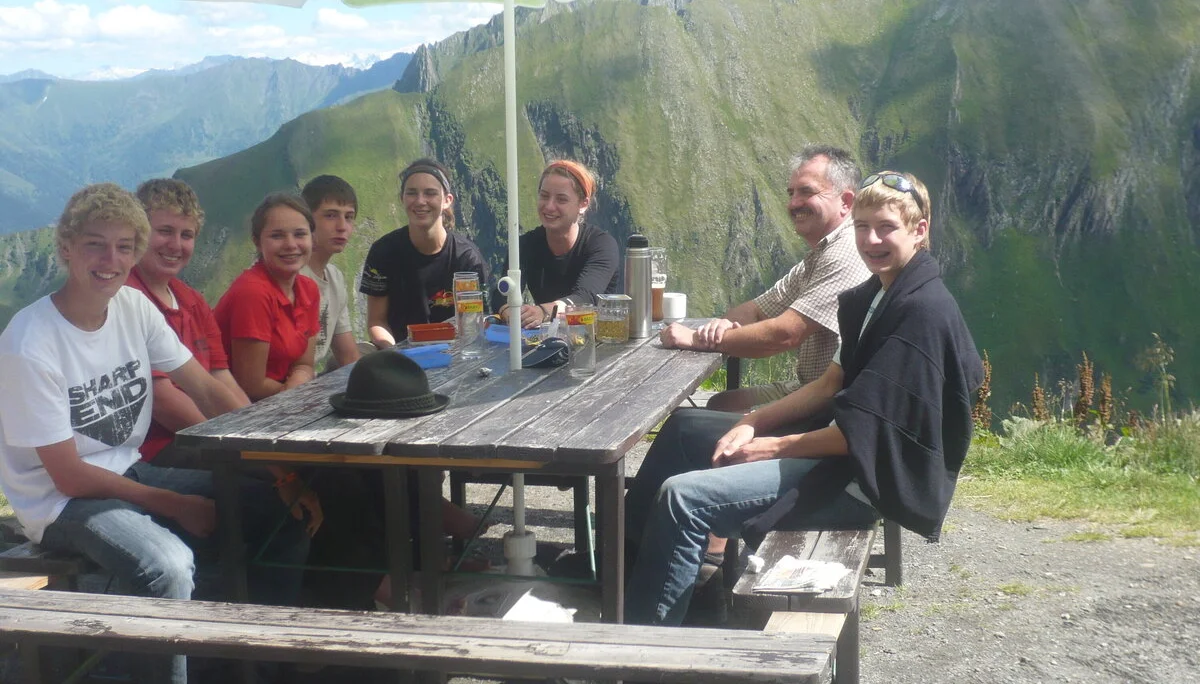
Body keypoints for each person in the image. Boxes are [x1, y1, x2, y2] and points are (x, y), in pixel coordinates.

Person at [624, 171, 984, 626]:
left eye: (886, 228)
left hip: (859, 481)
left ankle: (642, 650)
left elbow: (863, 436)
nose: (871, 239)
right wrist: (752, 422)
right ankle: (634, 568)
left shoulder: (919, 314)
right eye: (862, 227)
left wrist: (771, 446)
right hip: (838, 450)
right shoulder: (877, 294)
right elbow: (829, 386)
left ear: (919, 229)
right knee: (684, 431)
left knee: (683, 498)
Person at [0, 184, 311, 683]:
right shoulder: (28, 343)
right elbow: (69, 476)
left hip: (125, 468)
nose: (111, 259)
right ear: (65, 248)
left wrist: (279, 468)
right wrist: (173, 502)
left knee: (275, 507)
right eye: (95, 244)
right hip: (59, 503)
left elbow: (207, 391)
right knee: (167, 565)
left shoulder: (133, 308)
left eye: (125, 246)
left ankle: (249, 661)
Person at [660, 145, 872, 412]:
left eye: (807, 191)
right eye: (791, 193)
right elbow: (757, 310)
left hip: (832, 403)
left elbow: (785, 334)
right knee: (721, 403)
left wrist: (696, 339)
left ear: (846, 201)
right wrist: (722, 325)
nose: (794, 203)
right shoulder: (820, 253)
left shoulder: (847, 252)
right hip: (808, 387)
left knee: (691, 426)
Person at [125, 179, 250, 466]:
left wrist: (259, 431)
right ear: (138, 233)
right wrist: (232, 442)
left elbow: (221, 377)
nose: (176, 245)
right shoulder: (126, 298)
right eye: (165, 231)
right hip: (155, 450)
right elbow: (163, 401)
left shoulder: (192, 300)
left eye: (187, 235)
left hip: (206, 434)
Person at [360, 159, 488, 347]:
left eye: (430, 193)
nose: (420, 201)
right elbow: (376, 321)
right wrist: (393, 352)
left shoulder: (467, 258)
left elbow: (475, 323)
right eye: (412, 193)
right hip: (396, 352)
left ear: (447, 201)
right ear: (402, 198)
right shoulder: (383, 252)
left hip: (454, 353)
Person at [214, 193, 320, 401]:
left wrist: (297, 386)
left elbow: (304, 364)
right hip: (237, 410)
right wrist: (297, 396)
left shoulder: (308, 289)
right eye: (277, 236)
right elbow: (251, 385)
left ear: (312, 239)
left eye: (300, 234)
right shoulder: (253, 293)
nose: (290, 244)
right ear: (257, 242)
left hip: (282, 397)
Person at [492, 160, 619, 328]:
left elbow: (585, 298)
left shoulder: (601, 245)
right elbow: (502, 294)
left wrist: (543, 312)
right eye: (544, 196)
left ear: (583, 204)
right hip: (546, 341)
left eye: (561, 199)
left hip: (596, 342)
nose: (549, 206)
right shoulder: (524, 245)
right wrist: (509, 311)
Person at [300, 174, 362, 371]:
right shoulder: (291, 277)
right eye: (330, 215)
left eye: (349, 217)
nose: (342, 227)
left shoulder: (334, 277)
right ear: (307, 220)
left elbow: (348, 356)